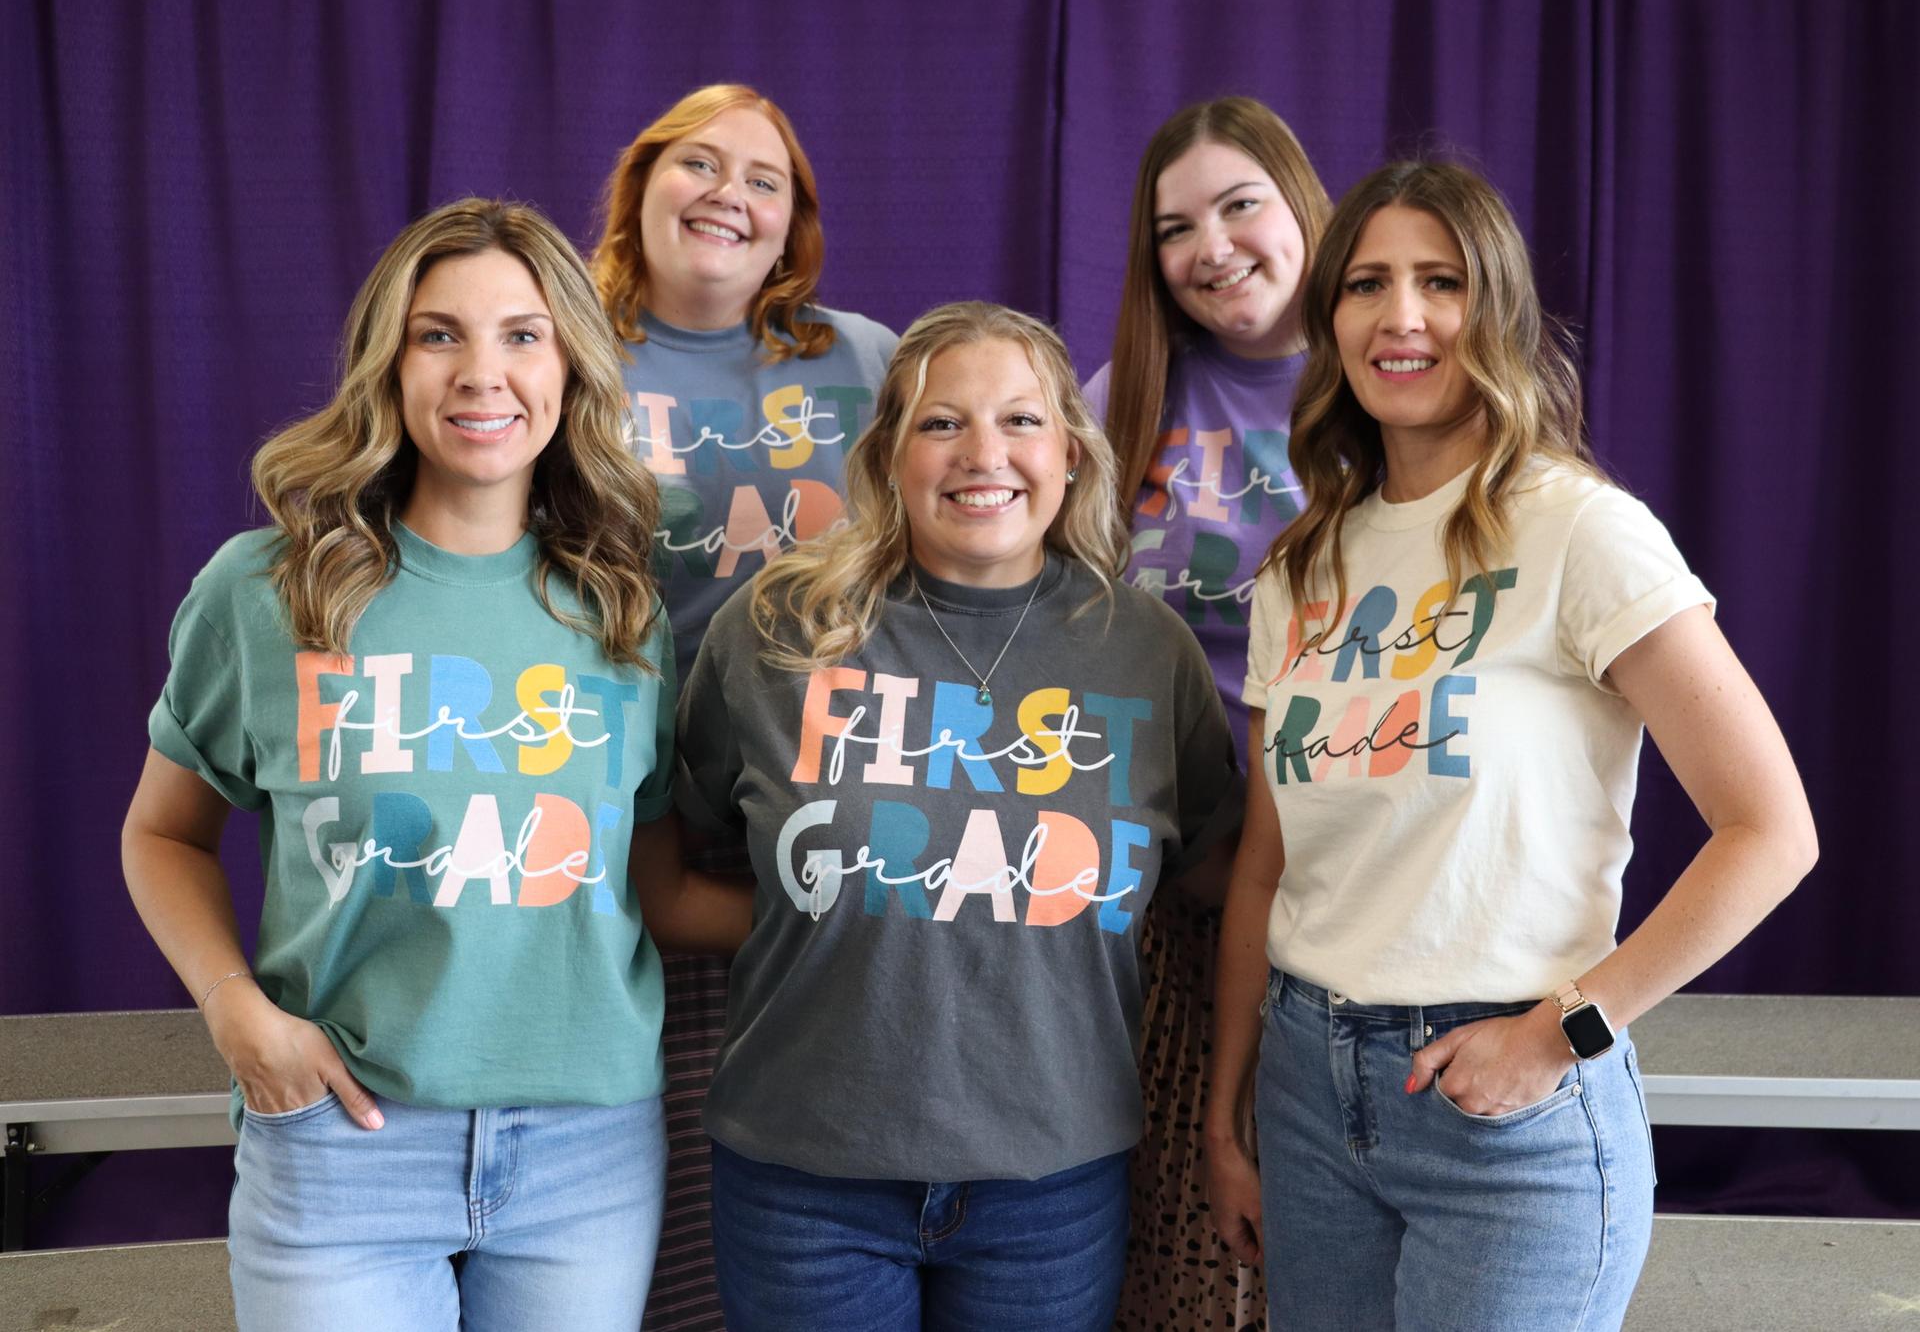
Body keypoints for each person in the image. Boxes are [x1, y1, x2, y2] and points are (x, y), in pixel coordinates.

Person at [1206, 161, 1818, 1331]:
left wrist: (1564, 1032)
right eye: (1368, 284)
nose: (1403, 317)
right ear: (1328, 320)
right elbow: (1267, 870)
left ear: (1500, 312)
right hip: (1304, 1088)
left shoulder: (1580, 530)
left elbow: (1772, 832)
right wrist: (1225, 1112)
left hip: (1505, 1110)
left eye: (1442, 282)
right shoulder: (1300, 570)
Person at [121, 199, 742, 1331]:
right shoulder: (270, 590)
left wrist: (867, 915)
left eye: (522, 333)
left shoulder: (622, 608)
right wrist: (235, 1012)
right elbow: (161, 834)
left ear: (569, 366)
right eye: (438, 333)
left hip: (586, 1152)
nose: (482, 372)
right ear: (388, 366)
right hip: (344, 1140)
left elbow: (646, 882)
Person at [674, 301, 1241, 1330]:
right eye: (942, 423)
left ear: (1071, 452)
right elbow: (671, 845)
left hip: (1054, 1185)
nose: (985, 453)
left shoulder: (1148, 650)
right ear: (889, 454)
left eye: (1021, 421)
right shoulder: (776, 627)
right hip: (805, 1175)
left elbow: (1214, 874)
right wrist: (816, 914)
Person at [589, 82, 898, 1326]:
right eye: (699, 164)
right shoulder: (564, 347)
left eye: (763, 181)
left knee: (799, 1155)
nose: (730, 194)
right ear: (642, 183)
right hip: (619, 806)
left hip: (807, 795)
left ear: (792, 227)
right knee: (646, 1167)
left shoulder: (864, 359)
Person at [1085, 97, 1331, 1331]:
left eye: (1242, 206)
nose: (1214, 246)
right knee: (1182, 1217)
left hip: (1345, 871)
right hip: (1166, 884)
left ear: (1303, 209)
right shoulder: (1115, 400)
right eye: (1176, 228)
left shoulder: (1390, 387)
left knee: (1318, 1222)